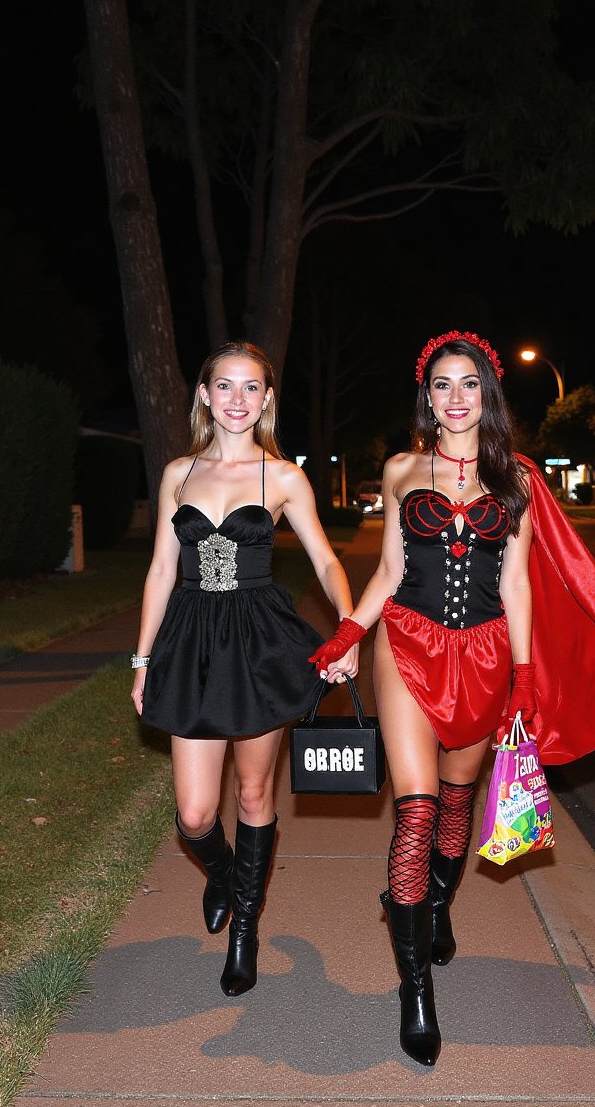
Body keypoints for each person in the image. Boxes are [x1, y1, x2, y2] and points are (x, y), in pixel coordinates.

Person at [309, 331, 595, 1067]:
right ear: (427, 397)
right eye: (442, 385)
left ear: (488, 394)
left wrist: (527, 674)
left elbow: (518, 584)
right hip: (406, 646)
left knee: (453, 804)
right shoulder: (403, 468)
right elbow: (386, 572)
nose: (456, 398)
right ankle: (415, 992)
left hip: (485, 653)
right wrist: (347, 634)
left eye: (468, 384)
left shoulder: (519, 480)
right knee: (412, 811)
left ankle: (433, 905)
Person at [131, 342, 358, 998]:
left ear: (266, 398)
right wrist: (143, 661)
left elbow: (324, 560)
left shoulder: (284, 478)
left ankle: (244, 933)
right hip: (192, 645)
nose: (236, 399)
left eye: (250, 388)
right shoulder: (178, 472)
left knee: (254, 795)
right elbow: (160, 571)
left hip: (259, 646)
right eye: (223, 386)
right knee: (196, 813)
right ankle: (225, 874)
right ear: (205, 395)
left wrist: (348, 626)